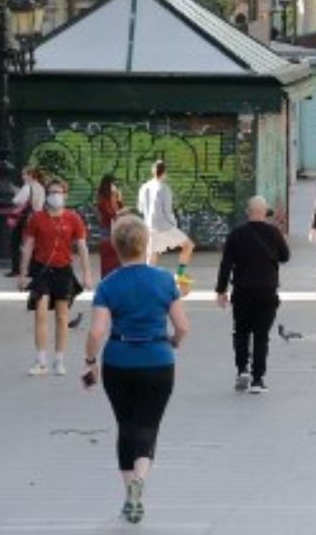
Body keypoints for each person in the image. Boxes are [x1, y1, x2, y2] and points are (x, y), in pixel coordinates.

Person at [82, 215, 189, 525]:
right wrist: (173, 341)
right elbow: (183, 325)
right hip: (158, 360)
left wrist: (90, 362)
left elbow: (96, 333)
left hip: (119, 361)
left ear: (116, 248)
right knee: (148, 425)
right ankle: (140, 480)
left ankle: (129, 490)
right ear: (145, 245)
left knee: (126, 425)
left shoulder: (108, 285)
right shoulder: (164, 280)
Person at [215, 196, 290, 394]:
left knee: (241, 332)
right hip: (267, 292)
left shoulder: (236, 235)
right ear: (265, 212)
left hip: (242, 292)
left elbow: (226, 265)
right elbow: (285, 256)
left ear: (248, 212)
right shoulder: (274, 233)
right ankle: (258, 380)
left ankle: (242, 370)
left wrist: (221, 291)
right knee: (261, 335)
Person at [20, 177, 94, 376]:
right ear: (46, 195)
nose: (55, 196)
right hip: (41, 270)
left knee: (62, 316)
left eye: (59, 192)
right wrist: (23, 273)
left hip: (63, 270)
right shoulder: (36, 218)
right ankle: (41, 359)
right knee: (40, 312)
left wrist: (87, 275)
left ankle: (59, 360)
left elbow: (82, 248)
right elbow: (28, 246)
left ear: (65, 195)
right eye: (51, 192)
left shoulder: (73, 218)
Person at [137, 161, 195, 289]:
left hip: (149, 226)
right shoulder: (164, 188)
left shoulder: (144, 187)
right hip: (164, 226)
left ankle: (147, 284)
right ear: (164, 173)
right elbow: (167, 211)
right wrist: (174, 224)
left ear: (153, 172)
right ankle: (179, 274)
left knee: (152, 255)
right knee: (188, 245)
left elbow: (140, 208)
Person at [9, 166, 47, 277]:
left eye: (24, 174)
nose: (22, 177)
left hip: (25, 218)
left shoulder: (28, 187)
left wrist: (16, 193)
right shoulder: (40, 187)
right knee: (33, 243)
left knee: (15, 242)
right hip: (38, 216)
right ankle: (33, 269)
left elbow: (17, 201)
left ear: (30, 175)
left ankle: (16, 269)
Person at [97, 174, 126, 278]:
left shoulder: (114, 196)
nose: (115, 186)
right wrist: (118, 213)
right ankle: (107, 277)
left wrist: (119, 198)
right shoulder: (103, 198)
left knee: (117, 255)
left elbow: (120, 208)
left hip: (116, 226)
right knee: (108, 255)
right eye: (113, 183)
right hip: (107, 228)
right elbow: (107, 212)